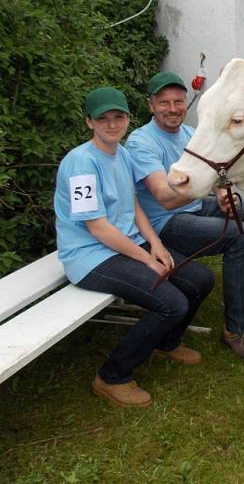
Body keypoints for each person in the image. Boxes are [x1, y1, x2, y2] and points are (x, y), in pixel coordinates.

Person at [55, 87, 214, 408]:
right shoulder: (79, 164)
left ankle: (167, 343)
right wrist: (146, 258)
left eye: (119, 117)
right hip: (90, 256)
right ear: (89, 122)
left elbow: (134, 205)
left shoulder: (123, 153)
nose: (112, 124)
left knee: (200, 280)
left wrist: (156, 244)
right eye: (104, 119)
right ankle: (112, 376)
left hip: (126, 244)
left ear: (128, 118)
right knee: (172, 303)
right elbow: (97, 227)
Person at [125, 71, 244, 361]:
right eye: (164, 103)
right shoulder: (141, 142)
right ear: (150, 105)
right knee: (240, 235)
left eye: (178, 101)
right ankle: (236, 330)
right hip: (164, 223)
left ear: (187, 103)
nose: (173, 108)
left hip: (195, 206)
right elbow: (164, 197)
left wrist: (225, 194)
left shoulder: (189, 134)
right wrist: (211, 187)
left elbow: (218, 173)